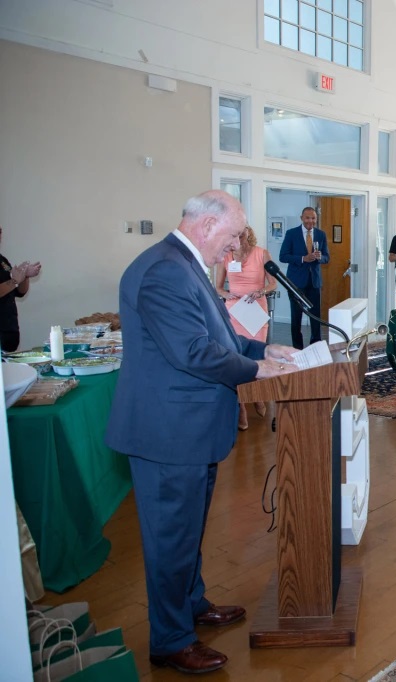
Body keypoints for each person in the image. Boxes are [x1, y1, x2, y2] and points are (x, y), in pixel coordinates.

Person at [105, 190, 299, 675]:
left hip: (188, 431)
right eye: (233, 236)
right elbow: (192, 351)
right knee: (170, 537)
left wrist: (262, 352)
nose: (235, 248)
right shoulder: (166, 269)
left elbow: (217, 336)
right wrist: (256, 375)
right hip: (168, 433)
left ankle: (190, 605)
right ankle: (171, 640)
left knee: (186, 532)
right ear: (208, 225)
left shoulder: (182, 264)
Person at [214, 225, 276, 430]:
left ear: (249, 233)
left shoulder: (261, 254)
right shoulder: (227, 256)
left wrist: (260, 292)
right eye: (236, 234)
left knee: (256, 356)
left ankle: (257, 394)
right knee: (237, 357)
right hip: (234, 311)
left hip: (256, 309)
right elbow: (218, 287)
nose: (240, 237)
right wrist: (225, 294)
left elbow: (273, 283)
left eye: (243, 232)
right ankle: (241, 406)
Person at [279, 206, 329, 349]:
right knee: (296, 317)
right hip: (295, 283)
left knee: (315, 317)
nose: (310, 221)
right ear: (301, 218)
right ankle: (297, 349)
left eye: (313, 218)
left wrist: (320, 258)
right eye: (307, 218)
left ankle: (316, 347)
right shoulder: (291, 234)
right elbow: (283, 256)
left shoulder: (321, 234)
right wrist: (302, 258)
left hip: (314, 282)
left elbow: (327, 257)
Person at [0, 225, 42, 352]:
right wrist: (14, 281)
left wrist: (25, 276)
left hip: (9, 329)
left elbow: (20, 292)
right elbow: (12, 283)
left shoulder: (2, 260)